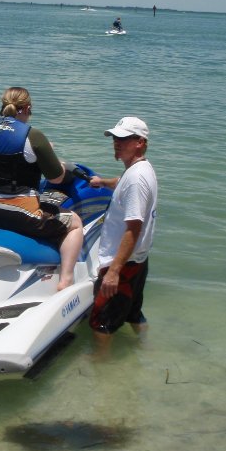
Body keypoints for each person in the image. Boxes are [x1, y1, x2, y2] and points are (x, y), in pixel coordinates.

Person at [0, 86, 84, 290]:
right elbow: (56, 177)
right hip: (21, 215)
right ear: (27, 108)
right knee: (76, 224)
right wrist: (51, 155)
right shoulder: (33, 136)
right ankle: (66, 281)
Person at [87, 116, 158, 354]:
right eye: (116, 138)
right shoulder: (140, 169)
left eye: (124, 139)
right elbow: (121, 183)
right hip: (138, 260)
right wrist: (102, 182)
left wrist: (113, 271)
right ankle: (145, 349)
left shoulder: (136, 179)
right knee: (133, 313)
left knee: (100, 322)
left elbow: (133, 227)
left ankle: (101, 368)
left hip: (123, 264)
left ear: (140, 142)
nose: (117, 143)